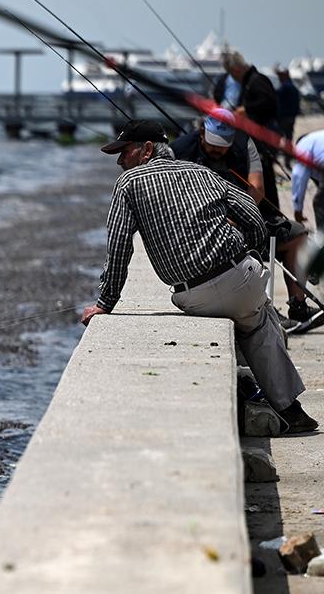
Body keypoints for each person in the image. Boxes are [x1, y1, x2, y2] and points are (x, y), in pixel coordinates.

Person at [81, 120, 317, 433]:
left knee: (257, 320)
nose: (119, 160)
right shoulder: (201, 173)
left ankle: (263, 395)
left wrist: (105, 302)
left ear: (146, 149)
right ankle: (290, 408)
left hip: (192, 295)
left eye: (123, 152)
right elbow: (253, 216)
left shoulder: (128, 184)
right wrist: (254, 253)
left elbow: (119, 246)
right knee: (259, 320)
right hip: (240, 275)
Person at [172, 109, 312, 323]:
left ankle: (299, 306)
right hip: (203, 224)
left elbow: (257, 188)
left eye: (223, 146)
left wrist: (238, 216)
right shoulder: (180, 149)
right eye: (213, 145)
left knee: (297, 235)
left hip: (244, 214)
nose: (218, 151)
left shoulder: (244, 143)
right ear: (202, 133)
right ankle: (261, 308)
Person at [223, 50, 282, 215]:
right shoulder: (250, 81)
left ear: (235, 69)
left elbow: (269, 102)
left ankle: (274, 217)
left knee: (266, 179)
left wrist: (245, 109)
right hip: (258, 138)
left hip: (264, 140)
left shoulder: (257, 80)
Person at [276, 66, 302, 166]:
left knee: (278, 137)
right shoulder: (292, 86)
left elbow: (276, 96)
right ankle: (288, 159)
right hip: (291, 117)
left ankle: (284, 159)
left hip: (284, 117)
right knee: (288, 138)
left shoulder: (285, 86)